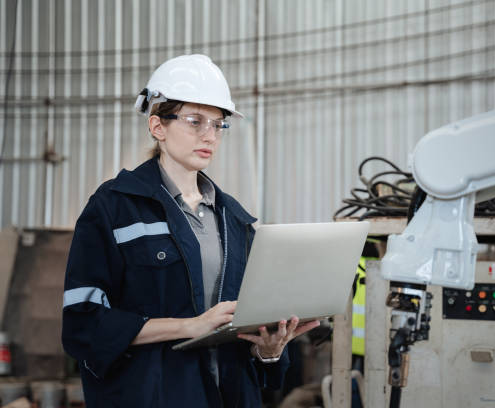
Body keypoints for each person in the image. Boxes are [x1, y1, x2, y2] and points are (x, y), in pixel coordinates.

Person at [61, 54, 319, 407]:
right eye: (195, 121)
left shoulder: (235, 220)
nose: (209, 135)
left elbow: (249, 335)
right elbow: (83, 326)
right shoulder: (114, 208)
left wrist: (269, 351)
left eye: (218, 124)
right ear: (158, 127)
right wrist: (189, 326)